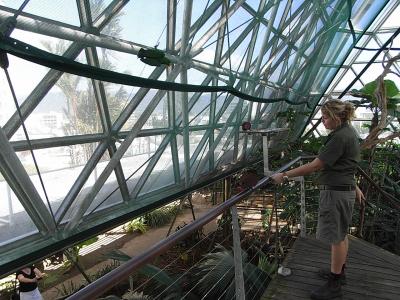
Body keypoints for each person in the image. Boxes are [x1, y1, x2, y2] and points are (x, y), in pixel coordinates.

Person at [271, 100, 365, 300]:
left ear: (337, 117)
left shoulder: (340, 137)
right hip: (343, 189)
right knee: (341, 235)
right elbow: (346, 163)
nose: (322, 121)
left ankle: (334, 285)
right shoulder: (348, 133)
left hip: (336, 193)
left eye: (325, 117)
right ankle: (339, 274)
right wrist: (354, 185)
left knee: (337, 238)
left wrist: (285, 175)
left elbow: (315, 166)